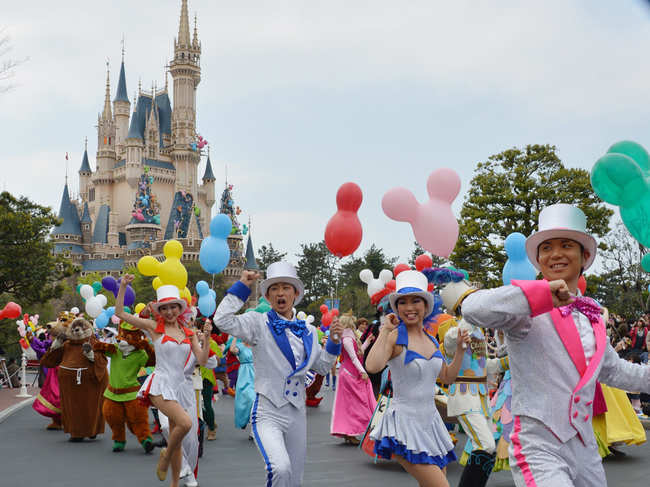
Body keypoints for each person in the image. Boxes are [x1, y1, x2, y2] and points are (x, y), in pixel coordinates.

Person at [460, 203, 650, 487]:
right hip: (538, 447)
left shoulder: (594, 318)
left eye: (566, 245)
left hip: (585, 448)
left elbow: (615, 371)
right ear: (538, 259)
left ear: (584, 256)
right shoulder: (524, 310)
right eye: (546, 247)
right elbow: (472, 307)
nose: (556, 253)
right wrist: (538, 295)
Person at [213, 261, 343, 487]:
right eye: (274, 288)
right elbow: (222, 320)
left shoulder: (310, 332)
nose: (280, 293)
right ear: (268, 295)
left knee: (294, 478)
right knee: (279, 468)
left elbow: (322, 367)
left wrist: (333, 342)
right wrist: (243, 285)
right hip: (267, 411)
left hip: (297, 413)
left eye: (286, 287)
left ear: (296, 293)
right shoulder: (257, 322)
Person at [367, 270, 470, 487]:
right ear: (396, 308)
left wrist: (460, 351)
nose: (409, 307)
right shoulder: (395, 336)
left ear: (426, 305)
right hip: (404, 425)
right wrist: (385, 329)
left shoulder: (432, 340)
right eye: (403, 302)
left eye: (416, 301)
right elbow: (373, 366)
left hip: (430, 425)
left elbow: (447, 377)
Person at [115, 276, 211, 487]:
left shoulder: (189, 333)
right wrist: (123, 286)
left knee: (182, 435)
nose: (169, 312)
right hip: (160, 384)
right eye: (164, 308)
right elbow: (120, 313)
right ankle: (166, 457)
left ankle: (175, 483)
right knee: (184, 424)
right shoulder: (153, 327)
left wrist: (208, 337)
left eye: (173, 307)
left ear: (180, 308)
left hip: (182, 387)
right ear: (159, 310)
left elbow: (202, 361)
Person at [330, 313, 377, 445]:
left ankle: (349, 432)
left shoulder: (349, 337)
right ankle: (350, 432)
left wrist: (367, 341)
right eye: (352, 321)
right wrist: (363, 371)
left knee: (350, 405)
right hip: (350, 374)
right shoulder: (347, 339)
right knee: (354, 404)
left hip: (351, 373)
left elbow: (358, 353)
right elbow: (353, 357)